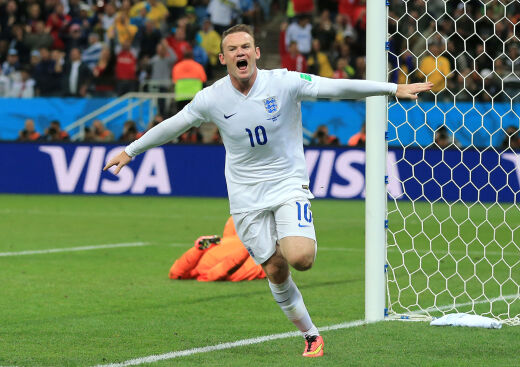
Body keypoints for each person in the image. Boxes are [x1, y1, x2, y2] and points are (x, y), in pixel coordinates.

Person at [104, 24, 432, 358]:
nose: (240, 53)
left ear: (257, 52)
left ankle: (291, 231)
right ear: (223, 58)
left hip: (287, 184)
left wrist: (391, 89)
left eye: (246, 46)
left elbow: (335, 87)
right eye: (232, 49)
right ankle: (311, 335)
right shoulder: (212, 98)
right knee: (275, 269)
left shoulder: (284, 82)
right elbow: (174, 124)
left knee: (300, 258)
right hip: (245, 198)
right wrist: (131, 151)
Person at [169, 216, 266, 281]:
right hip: (256, 254)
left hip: (247, 247)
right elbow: (227, 265)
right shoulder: (206, 275)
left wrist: (198, 250)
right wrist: (248, 247)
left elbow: (176, 272)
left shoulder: (202, 271)